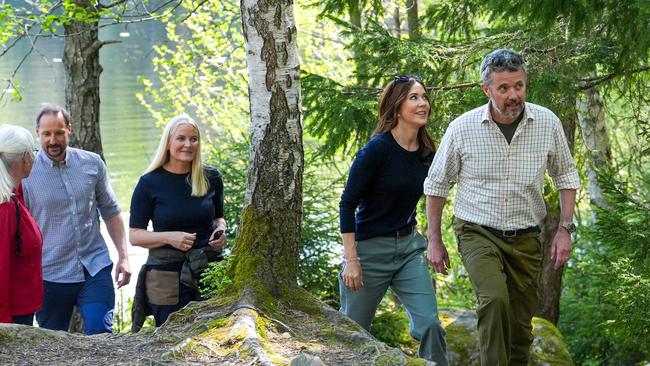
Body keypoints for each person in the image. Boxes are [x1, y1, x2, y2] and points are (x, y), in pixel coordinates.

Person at [424, 49, 580, 365]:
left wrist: (564, 230)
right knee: (494, 300)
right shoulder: (462, 128)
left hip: (526, 236)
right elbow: (437, 185)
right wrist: (434, 240)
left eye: (519, 86)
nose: (513, 96)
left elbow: (566, 174)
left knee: (521, 326)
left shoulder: (546, 122)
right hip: (477, 230)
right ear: (487, 89)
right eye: (504, 88)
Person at [338, 77, 448, 365]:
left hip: (408, 250)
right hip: (369, 253)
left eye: (424, 97)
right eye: (413, 97)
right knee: (352, 333)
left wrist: (435, 240)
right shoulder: (376, 150)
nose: (423, 103)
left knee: (431, 326)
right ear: (396, 106)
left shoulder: (427, 153)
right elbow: (347, 204)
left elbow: (438, 192)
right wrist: (351, 260)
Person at [22, 105, 131, 335]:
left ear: (69, 130)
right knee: (54, 344)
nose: (53, 140)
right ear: (37, 133)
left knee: (101, 332)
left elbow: (111, 211)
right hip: (49, 275)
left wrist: (123, 257)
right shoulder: (25, 173)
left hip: (94, 267)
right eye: (47, 134)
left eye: (59, 132)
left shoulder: (92, 164)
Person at [129, 114, 226, 330]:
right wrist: (169, 237)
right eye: (181, 138)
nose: (188, 144)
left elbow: (218, 218)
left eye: (194, 139)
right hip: (164, 274)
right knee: (168, 334)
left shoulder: (211, 178)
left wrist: (220, 229)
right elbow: (134, 236)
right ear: (168, 142)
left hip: (207, 269)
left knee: (210, 333)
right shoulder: (149, 183)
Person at [0, 125, 43, 325]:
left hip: (22, 310)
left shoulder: (16, 195)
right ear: (25, 157)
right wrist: (5, 326)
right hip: (12, 317)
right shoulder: (5, 207)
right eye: (33, 152)